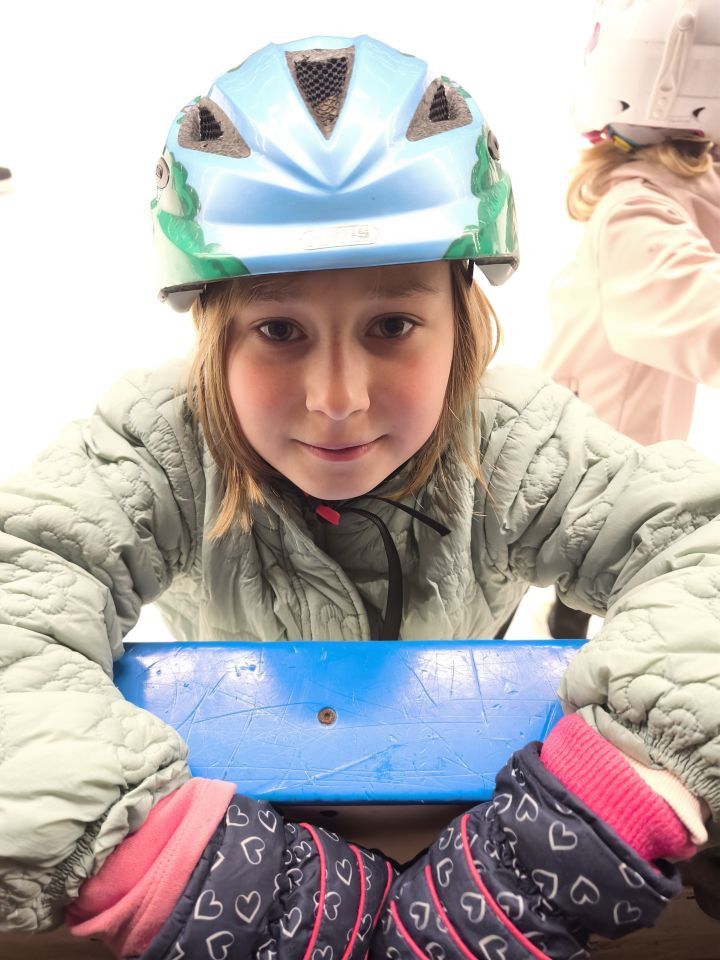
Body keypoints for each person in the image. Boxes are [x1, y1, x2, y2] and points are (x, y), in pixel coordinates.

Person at [0, 34, 718, 960]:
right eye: (279, 330)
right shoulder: (160, 446)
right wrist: (146, 855)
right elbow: (17, 595)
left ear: (464, 321)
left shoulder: (511, 439)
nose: (336, 398)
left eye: (392, 325)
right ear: (213, 331)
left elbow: (696, 544)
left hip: (463, 819)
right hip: (230, 810)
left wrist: (626, 788)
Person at [541, 0, 720, 641]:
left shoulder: (671, 195)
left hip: (619, 467)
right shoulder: (637, 214)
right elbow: (704, 315)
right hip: (583, 475)